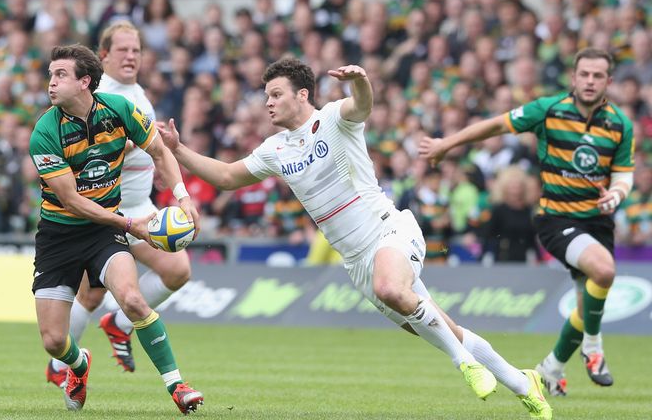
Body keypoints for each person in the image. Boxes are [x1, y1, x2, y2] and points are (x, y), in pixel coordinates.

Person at [157, 57, 551, 419]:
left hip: (388, 229)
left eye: (276, 95)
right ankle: (523, 382)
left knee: (391, 288)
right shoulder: (275, 149)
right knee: (447, 330)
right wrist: (179, 150)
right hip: (356, 262)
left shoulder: (333, 118)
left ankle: (464, 364)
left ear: (302, 95)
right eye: (266, 97)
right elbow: (227, 177)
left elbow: (361, 105)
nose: (268, 103)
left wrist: (360, 81)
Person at [419, 47, 634, 397]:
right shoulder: (548, 110)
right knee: (605, 271)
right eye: (584, 74)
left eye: (598, 75)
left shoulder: (619, 124)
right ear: (574, 77)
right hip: (557, 218)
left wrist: (617, 193)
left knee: (587, 304)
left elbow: (624, 174)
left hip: (598, 223)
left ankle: (551, 368)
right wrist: (448, 143)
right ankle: (593, 347)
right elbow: (495, 125)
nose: (590, 81)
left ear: (608, 81)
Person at [29, 44, 203, 414]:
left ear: (84, 82)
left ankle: (178, 385)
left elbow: (160, 151)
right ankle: (78, 365)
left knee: (133, 299)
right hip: (59, 236)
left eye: (60, 75)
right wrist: (130, 224)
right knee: (54, 341)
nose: (51, 82)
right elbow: (72, 200)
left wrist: (183, 197)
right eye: (50, 75)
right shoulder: (44, 131)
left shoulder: (120, 109)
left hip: (102, 233)